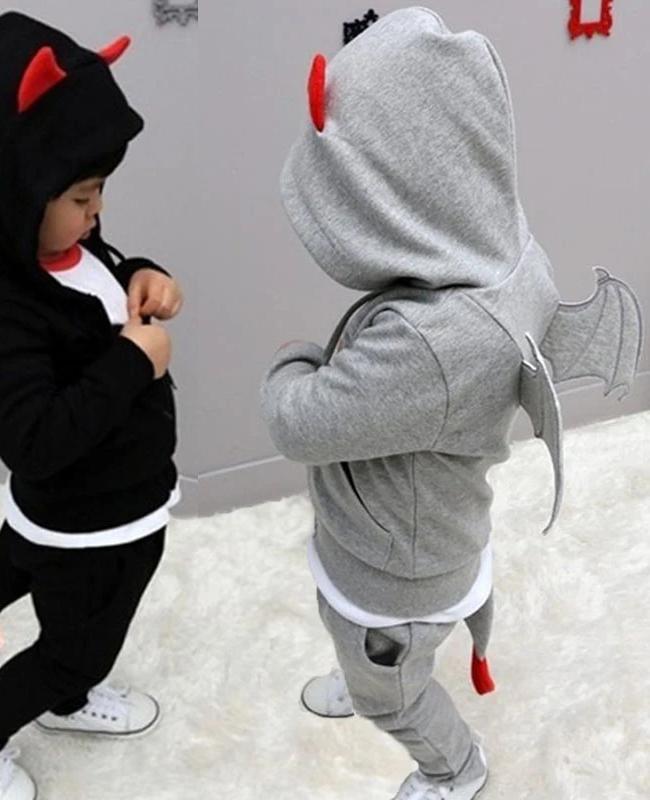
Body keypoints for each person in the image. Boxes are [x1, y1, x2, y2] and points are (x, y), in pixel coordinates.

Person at [261, 8, 640, 800]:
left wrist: (295, 358)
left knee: (391, 690)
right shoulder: (506, 250)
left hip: (395, 578)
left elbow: (296, 422)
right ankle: (367, 670)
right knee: (360, 643)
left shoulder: (431, 346)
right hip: (424, 527)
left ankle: (450, 764)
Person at [0, 12, 182, 800]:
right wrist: (133, 361)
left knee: (109, 614)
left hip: (128, 501)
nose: (96, 213)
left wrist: (143, 275)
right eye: (82, 195)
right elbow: (36, 440)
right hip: (79, 524)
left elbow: (98, 284)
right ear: (15, 191)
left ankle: (71, 698)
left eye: (101, 193)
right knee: (73, 647)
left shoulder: (62, 241)